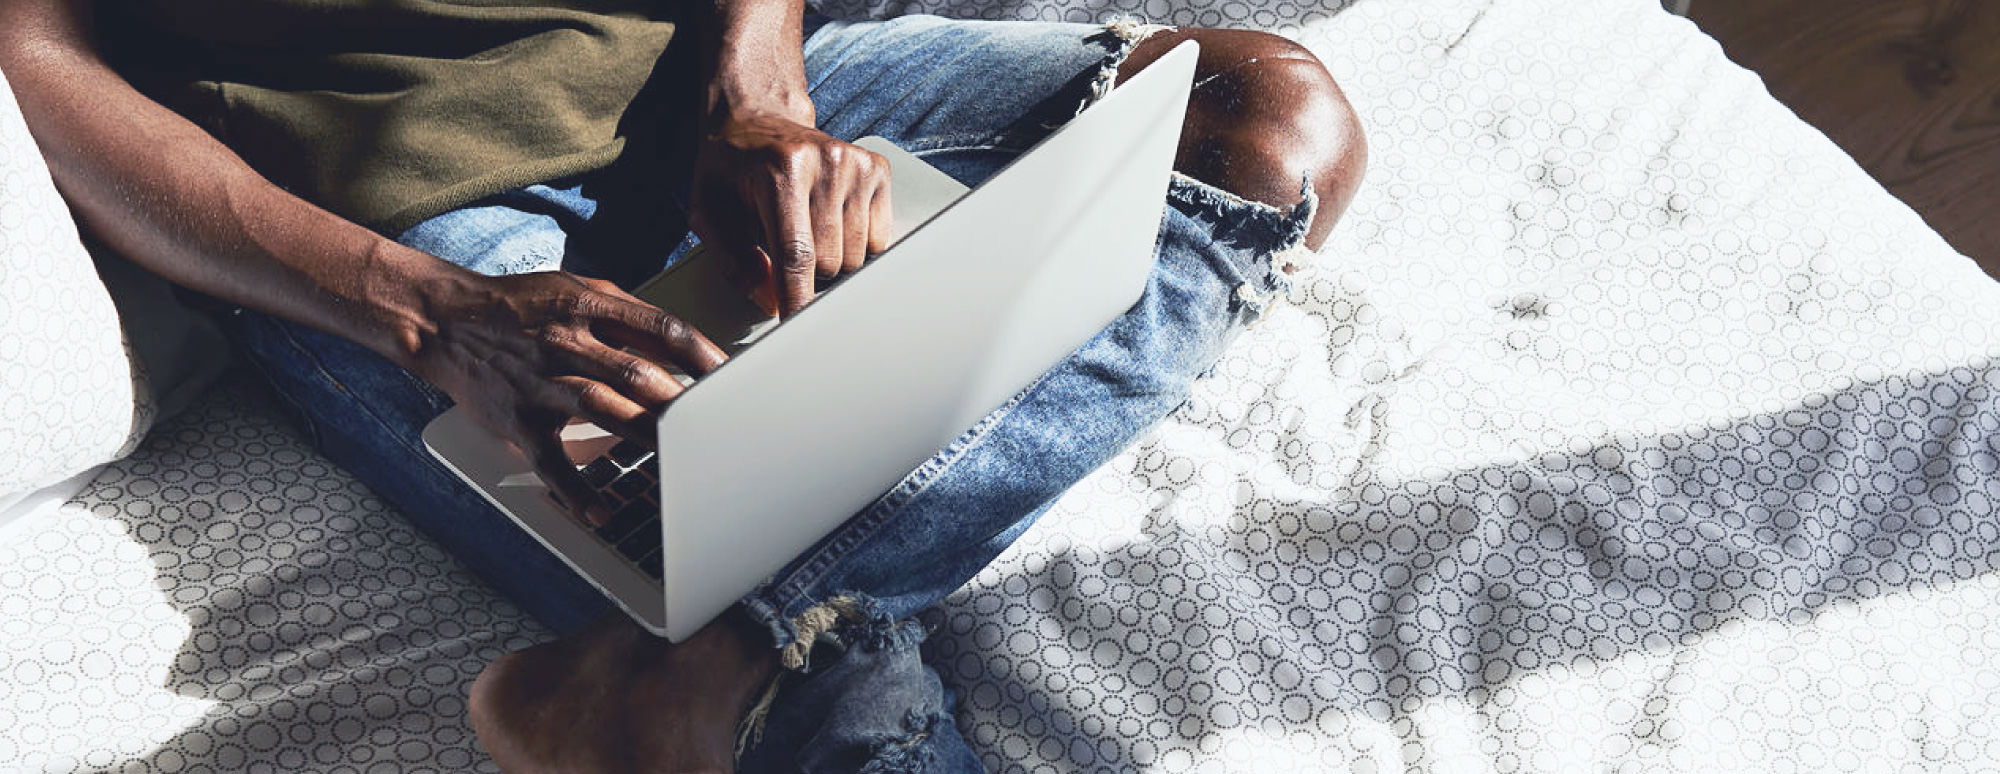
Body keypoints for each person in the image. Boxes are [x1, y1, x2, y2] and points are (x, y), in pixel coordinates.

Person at [0, 0, 1365, 769]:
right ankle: (758, 638)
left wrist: (757, 92)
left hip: (711, 91)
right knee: (710, 511)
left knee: (1268, 121)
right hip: (403, 226)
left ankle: (697, 663)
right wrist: (428, 314)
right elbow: (37, 54)